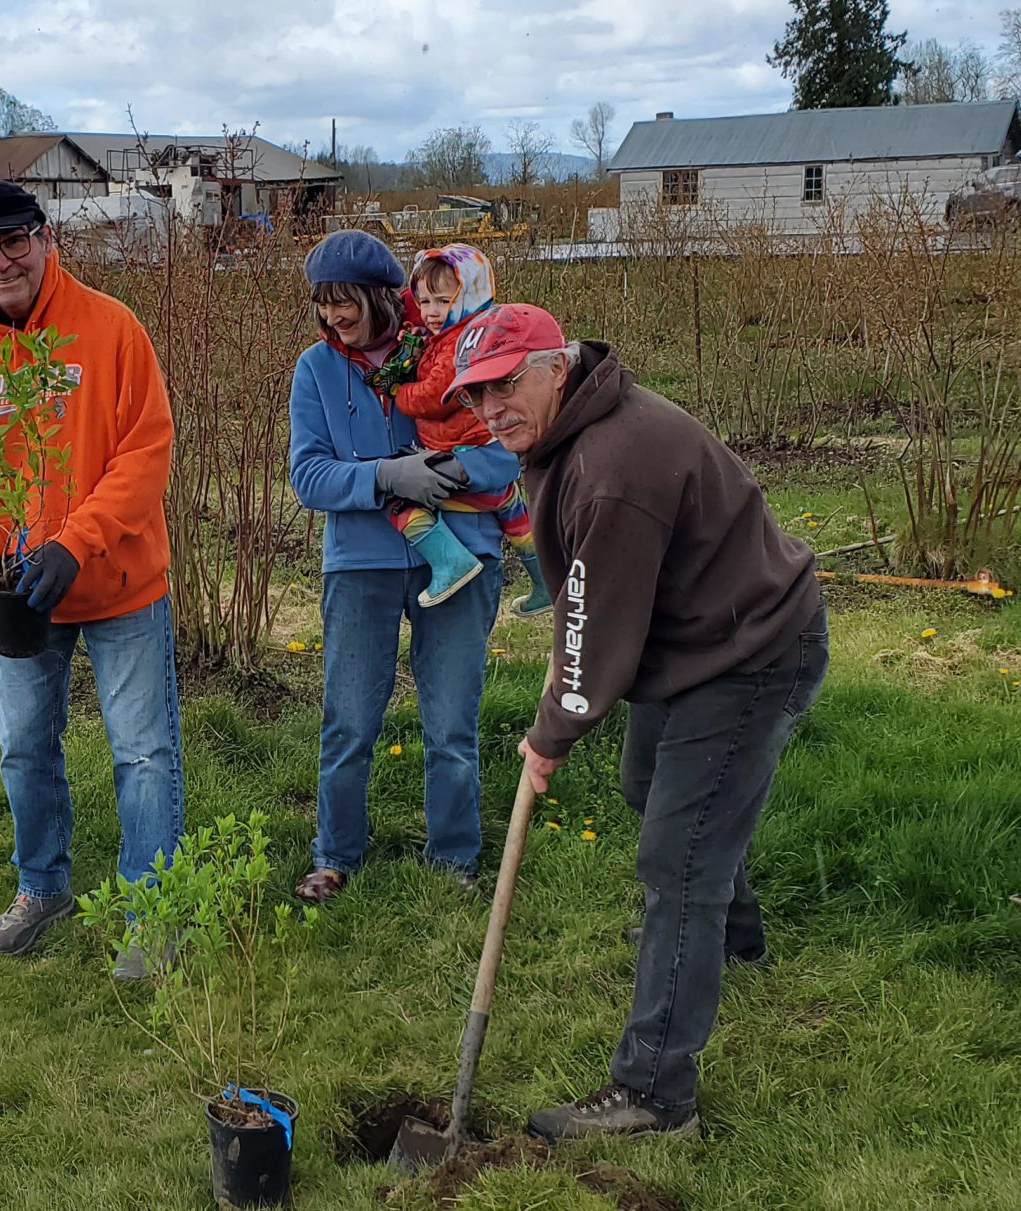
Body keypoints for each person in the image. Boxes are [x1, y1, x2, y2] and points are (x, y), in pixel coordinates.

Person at [449, 305, 829, 1141]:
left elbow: (595, 641)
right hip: (700, 635)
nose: (490, 410)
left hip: (750, 651)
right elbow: (589, 586)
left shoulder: (613, 465)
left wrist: (551, 733)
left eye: (505, 384)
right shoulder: (576, 425)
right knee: (649, 785)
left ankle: (657, 1097)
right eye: (475, 396)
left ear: (556, 365)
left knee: (679, 857)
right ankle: (728, 940)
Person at [0, 182, 185, 975]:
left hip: (120, 586)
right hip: (18, 595)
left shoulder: (110, 328)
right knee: (24, 747)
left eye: (13, 241)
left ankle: (154, 910)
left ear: (42, 238)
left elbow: (146, 452)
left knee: (143, 753)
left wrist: (77, 542)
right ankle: (43, 887)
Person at [286, 230, 518, 904]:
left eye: (344, 302)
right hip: (361, 565)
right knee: (350, 722)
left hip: (462, 554)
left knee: (451, 723)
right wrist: (390, 475)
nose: (333, 317)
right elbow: (309, 475)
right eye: (322, 305)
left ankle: (453, 859)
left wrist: (450, 472)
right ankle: (335, 856)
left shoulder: (457, 346)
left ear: (383, 296)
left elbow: (510, 440)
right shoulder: (316, 371)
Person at [389, 244, 552, 616]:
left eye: (442, 301)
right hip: (484, 449)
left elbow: (433, 397)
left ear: (468, 296)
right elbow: (419, 318)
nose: (430, 311)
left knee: (400, 504)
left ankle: (449, 563)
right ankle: (546, 582)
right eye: (424, 300)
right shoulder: (463, 333)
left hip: (457, 450)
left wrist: (401, 393)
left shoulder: (458, 345)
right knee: (513, 511)